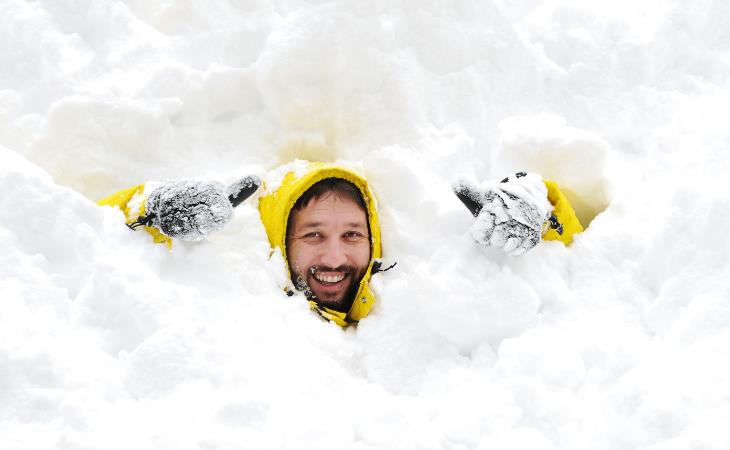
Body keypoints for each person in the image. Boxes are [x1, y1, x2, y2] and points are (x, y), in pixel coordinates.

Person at [98, 161, 583, 326]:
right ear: (281, 245)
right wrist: (150, 211)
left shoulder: (418, 300)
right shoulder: (233, 308)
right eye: (312, 236)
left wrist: (539, 212)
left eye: (352, 235)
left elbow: (583, 262)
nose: (334, 258)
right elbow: (78, 238)